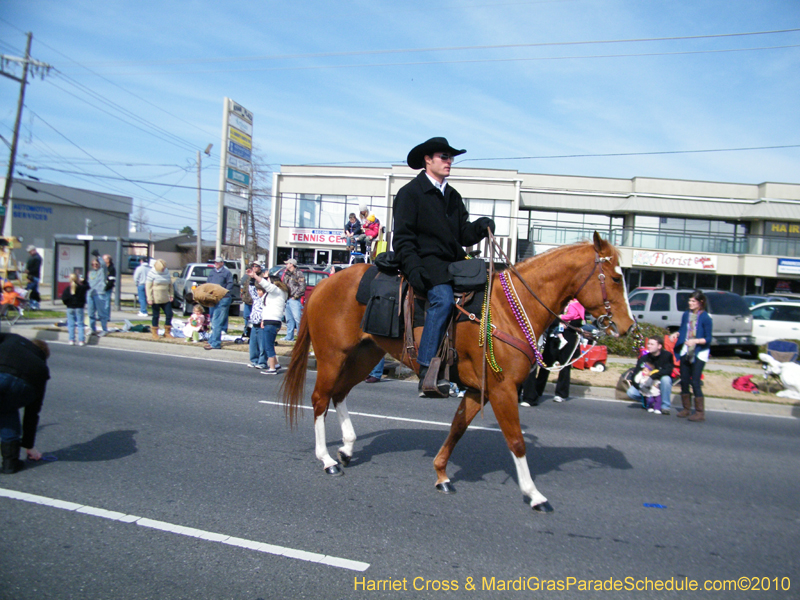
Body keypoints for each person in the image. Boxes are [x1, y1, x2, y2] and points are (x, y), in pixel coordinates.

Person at [392, 137, 495, 397]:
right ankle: (427, 369)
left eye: (451, 157)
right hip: (426, 263)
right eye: (444, 156)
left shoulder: (452, 195)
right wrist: (414, 269)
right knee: (443, 299)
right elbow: (403, 238)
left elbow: (463, 235)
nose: (450, 162)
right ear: (428, 160)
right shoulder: (410, 193)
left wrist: (480, 227)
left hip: (453, 264)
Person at [519, 299, 585, 406]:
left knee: (564, 366)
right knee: (546, 364)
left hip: (569, 336)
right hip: (553, 336)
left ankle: (561, 393)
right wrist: (559, 321)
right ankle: (537, 390)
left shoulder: (577, 305)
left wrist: (566, 322)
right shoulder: (558, 303)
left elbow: (578, 321)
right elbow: (550, 318)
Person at [0, 335, 49, 474]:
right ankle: (10, 463)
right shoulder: (42, 369)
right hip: (25, 387)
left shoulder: (13, 339)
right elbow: (32, 413)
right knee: (7, 409)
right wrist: (29, 445)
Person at [670, 290, 712, 422]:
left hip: (699, 352)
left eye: (693, 301)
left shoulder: (705, 317)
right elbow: (684, 328)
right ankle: (686, 409)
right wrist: (676, 334)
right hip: (686, 350)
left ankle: (700, 412)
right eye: (689, 300)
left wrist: (695, 341)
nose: (690, 303)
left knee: (695, 381)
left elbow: (708, 338)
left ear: (701, 302)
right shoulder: (686, 315)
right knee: (684, 380)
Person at [625, 336, 675, 414]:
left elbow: (668, 370)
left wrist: (652, 377)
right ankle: (648, 400)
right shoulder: (644, 358)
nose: (649, 346)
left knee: (666, 379)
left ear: (659, 346)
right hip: (646, 386)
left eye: (652, 344)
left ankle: (665, 406)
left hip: (658, 384)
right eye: (648, 344)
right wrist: (641, 386)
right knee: (631, 392)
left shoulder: (667, 355)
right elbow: (635, 373)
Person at [252, 272, 289, 374]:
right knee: (269, 343)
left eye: (268, 281)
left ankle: (272, 368)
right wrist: (263, 320)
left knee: (268, 345)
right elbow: (266, 306)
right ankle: (276, 364)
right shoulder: (276, 293)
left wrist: (256, 276)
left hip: (272, 321)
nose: (266, 283)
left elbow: (267, 286)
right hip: (270, 320)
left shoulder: (276, 290)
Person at [204, 256, 234, 350]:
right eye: (215, 262)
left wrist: (223, 292)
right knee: (213, 319)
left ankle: (216, 343)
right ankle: (212, 340)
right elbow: (208, 283)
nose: (216, 264)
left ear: (222, 263)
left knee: (217, 321)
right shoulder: (212, 272)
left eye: (218, 262)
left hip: (223, 299)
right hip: (213, 298)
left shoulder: (226, 272)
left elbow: (230, 284)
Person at [146, 259, 174, 340]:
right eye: (162, 268)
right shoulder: (151, 273)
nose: (163, 269)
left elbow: (170, 285)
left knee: (169, 314)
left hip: (165, 297)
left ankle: (167, 332)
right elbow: (148, 287)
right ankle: (155, 333)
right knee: (156, 315)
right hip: (155, 298)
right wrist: (149, 298)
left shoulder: (167, 272)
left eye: (164, 268)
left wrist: (171, 294)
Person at [61, 272, 89, 346]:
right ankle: (81, 341)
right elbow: (88, 286)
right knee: (80, 324)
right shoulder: (81, 288)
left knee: (71, 324)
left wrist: (68, 304)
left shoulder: (67, 289)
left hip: (70, 308)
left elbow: (64, 298)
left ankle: (71, 339)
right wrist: (83, 281)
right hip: (79, 307)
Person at [281, 258, 305, 343]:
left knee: (297, 319)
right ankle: (289, 336)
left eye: (287, 263)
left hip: (295, 300)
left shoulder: (299, 273)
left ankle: (300, 337)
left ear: (292, 264)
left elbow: (302, 287)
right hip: (287, 299)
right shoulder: (287, 274)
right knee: (289, 319)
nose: (286, 265)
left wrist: (295, 296)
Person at [86, 258, 109, 337]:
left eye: (96, 264)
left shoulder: (102, 271)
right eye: (93, 264)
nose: (95, 266)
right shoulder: (90, 273)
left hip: (99, 293)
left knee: (101, 313)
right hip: (90, 294)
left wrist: (98, 257)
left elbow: (104, 266)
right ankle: (92, 329)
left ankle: (104, 329)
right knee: (91, 313)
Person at [247, 285, 267, 369]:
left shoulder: (266, 300)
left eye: (260, 290)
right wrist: (252, 278)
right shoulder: (256, 298)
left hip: (261, 325)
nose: (258, 292)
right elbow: (251, 290)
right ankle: (254, 360)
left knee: (262, 345)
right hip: (254, 325)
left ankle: (262, 362)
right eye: (258, 290)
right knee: (253, 344)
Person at [25, 245, 42, 310]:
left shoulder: (37, 258)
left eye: (30, 251)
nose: (29, 253)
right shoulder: (32, 257)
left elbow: (36, 268)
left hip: (34, 276)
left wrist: (29, 271)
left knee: (31, 291)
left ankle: (34, 305)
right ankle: (34, 304)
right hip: (31, 276)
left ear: (34, 250)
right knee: (34, 291)